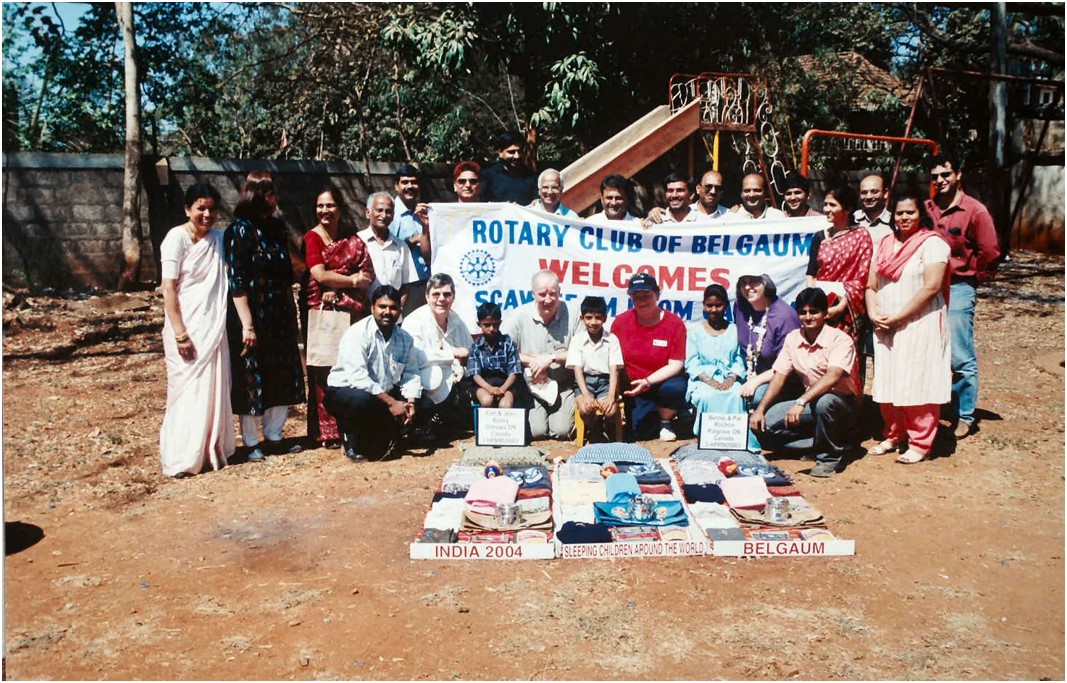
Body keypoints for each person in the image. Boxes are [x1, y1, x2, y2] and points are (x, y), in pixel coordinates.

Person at [224, 171, 306, 462]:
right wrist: (247, 324)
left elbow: (292, 268)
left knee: (281, 370)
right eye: (270, 193)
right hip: (252, 313)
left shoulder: (277, 227)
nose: (275, 198)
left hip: (280, 311)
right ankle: (250, 441)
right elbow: (237, 280)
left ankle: (275, 435)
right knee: (252, 373)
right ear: (256, 194)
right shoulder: (239, 231)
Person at [865, 192, 952, 464]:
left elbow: (932, 286)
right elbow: (871, 285)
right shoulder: (885, 243)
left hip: (919, 321)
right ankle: (894, 434)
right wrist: (873, 313)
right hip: (884, 323)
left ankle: (920, 442)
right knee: (888, 378)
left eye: (910, 212)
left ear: (920, 215)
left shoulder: (932, 244)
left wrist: (899, 317)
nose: (904, 217)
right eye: (899, 212)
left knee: (918, 380)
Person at [159, 183, 235, 477]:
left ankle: (209, 450)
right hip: (186, 327)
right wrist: (180, 334)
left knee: (212, 387)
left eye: (212, 209)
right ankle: (182, 457)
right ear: (187, 209)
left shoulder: (219, 239)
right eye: (200, 208)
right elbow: (169, 288)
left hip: (212, 326)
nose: (207, 214)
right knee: (185, 390)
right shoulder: (175, 238)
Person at [925, 153, 1001, 439]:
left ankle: (965, 415)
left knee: (959, 354)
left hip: (958, 285)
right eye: (935, 176)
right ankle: (936, 407)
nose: (940, 181)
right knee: (930, 348)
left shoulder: (975, 210)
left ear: (958, 175)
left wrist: (973, 276)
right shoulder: (926, 208)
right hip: (927, 287)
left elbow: (990, 250)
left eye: (945, 174)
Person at [750, 288, 860, 478]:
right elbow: (779, 375)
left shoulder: (840, 339)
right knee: (765, 427)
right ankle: (817, 443)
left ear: (825, 313)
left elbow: (833, 376)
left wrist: (800, 402)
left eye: (814, 312)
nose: (808, 317)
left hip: (841, 403)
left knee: (825, 402)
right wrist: (760, 410)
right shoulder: (793, 338)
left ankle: (829, 458)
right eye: (803, 312)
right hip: (810, 402)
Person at [301, 185, 376, 449]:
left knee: (353, 365)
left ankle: (352, 425)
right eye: (320, 205)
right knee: (324, 369)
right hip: (323, 313)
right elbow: (319, 275)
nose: (325, 210)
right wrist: (349, 280)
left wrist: (339, 285)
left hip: (352, 313)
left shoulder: (351, 239)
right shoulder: (312, 238)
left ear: (340, 209)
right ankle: (327, 432)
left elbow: (367, 273)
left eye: (330, 205)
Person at [324, 286, 427, 462]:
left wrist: (410, 403)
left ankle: (392, 432)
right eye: (382, 307)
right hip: (347, 391)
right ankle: (350, 438)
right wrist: (392, 403)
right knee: (361, 401)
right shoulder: (358, 333)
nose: (387, 312)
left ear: (400, 310)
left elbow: (411, 374)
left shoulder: (405, 339)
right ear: (372, 308)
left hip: (382, 393)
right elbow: (358, 378)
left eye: (393, 308)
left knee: (426, 403)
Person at [501, 269, 577, 440]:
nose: (548, 300)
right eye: (542, 294)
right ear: (533, 294)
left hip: (563, 384)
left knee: (562, 431)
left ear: (560, 291)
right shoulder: (519, 315)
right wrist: (534, 362)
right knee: (537, 431)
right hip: (532, 386)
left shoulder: (573, 313)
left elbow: (581, 351)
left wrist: (550, 359)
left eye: (553, 294)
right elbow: (505, 352)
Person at [613, 273, 688, 441]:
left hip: (662, 383)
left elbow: (676, 364)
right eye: (636, 296)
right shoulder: (620, 322)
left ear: (657, 294)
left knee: (675, 387)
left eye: (646, 295)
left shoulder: (674, 323)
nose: (641, 300)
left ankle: (666, 420)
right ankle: (657, 413)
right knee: (641, 433)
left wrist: (647, 381)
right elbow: (613, 359)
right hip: (634, 387)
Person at [685, 284, 758, 449]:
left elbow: (740, 358)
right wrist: (709, 380)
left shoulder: (735, 330)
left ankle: (735, 442)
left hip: (730, 378)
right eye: (709, 305)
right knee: (706, 396)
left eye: (718, 305)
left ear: (725, 305)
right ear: (704, 305)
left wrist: (731, 378)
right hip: (703, 380)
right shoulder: (695, 331)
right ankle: (708, 440)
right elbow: (691, 362)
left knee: (736, 396)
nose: (713, 310)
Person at [402, 273, 474, 433]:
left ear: (453, 297)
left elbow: (470, 350)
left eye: (447, 294)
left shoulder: (457, 320)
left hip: (455, 384)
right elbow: (416, 357)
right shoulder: (414, 321)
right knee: (434, 372)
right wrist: (452, 354)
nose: (442, 299)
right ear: (427, 296)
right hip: (423, 385)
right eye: (436, 294)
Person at [805, 183, 873, 347]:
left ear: (848, 209)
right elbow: (811, 274)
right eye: (825, 204)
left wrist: (840, 307)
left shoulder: (861, 236)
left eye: (832, 205)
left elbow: (861, 280)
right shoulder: (820, 237)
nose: (826, 209)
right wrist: (814, 306)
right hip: (820, 308)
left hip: (846, 310)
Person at [733, 273, 803, 408]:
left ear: (766, 284)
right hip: (747, 373)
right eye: (743, 283)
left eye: (753, 282)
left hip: (780, 379)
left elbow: (788, 365)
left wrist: (755, 381)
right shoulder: (740, 306)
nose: (747, 287)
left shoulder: (784, 316)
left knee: (756, 397)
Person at [566, 295, 623, 443]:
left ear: (605, 318)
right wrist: (585, 394)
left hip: (605, 383)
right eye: (589, 318)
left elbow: (614, 369)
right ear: (582, 319)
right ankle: (594, 429)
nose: (593, 322)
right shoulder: (577, 340)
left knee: (610, 411)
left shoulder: (612, 339)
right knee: (586, 409)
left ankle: (606, 428)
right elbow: (577, 369)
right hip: (585, 382)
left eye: (598, 318)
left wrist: (611, 396)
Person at [359, 192, 419, 311]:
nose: (384, 215)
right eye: (379, 210)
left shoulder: (401, 247)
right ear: (368, 213)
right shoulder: (357, 242)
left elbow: (406, 285)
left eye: (388, 211)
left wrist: (397, 309)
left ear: (393, 216)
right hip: (361, 312)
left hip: (391, 315)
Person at [387, 164, 431, 314]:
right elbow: (387, 246)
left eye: (414, 182)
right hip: (403, 285)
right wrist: (413, 240)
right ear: (396, 186)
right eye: (405, 182)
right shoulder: (390, 213)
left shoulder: (424, 212)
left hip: (426, 282)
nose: (410, 186)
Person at [468, 301, 522, 408]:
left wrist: (502, 389)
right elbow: (475, 375)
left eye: (495, 324)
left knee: (505, 405)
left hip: (506, 384)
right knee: (487, 401)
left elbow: (514, 372)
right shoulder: (476, 346)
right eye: (487, 325)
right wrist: (490, 389)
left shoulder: (508, 344)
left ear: (500, 323)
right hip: (483, 385)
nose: (492, 329)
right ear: (479, 324)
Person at [480, 130, 537, 204]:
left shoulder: (531, 176)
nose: (517, 156)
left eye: (520, 151)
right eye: (511, 152)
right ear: (500, 152)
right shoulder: (488, 176)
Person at [854, 174, 894, 245]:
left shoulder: (893, 223)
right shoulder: (853, 219)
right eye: (864, 192)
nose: (868, 197)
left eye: (874, 192)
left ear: (885, 193)